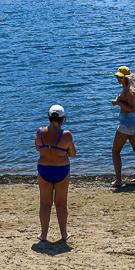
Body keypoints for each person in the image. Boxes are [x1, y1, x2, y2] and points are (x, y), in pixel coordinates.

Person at [35, 104, 76, 242]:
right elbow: (73, 153)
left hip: (44, 169)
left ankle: (44, 234)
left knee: (45, 203)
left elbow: (37, 148)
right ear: (62, 118)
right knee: (61, 203)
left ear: (49, 117)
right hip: (61, 170)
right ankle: (63, 234)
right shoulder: (66, 134)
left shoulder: (40, 132)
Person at [110, 65, 135, 188]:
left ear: (126, 77)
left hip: (127, 122)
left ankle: (118, 180)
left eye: (120, 77)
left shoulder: (129, 90)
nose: (118, 79)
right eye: (117, 76)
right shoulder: (128, 88)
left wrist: (118, 102)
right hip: (133, 121)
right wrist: (119, 101)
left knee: (115, 151)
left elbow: (131, 108)